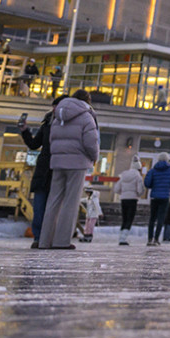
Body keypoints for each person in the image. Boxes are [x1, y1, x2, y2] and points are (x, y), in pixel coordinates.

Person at [41, 94, 99, 250]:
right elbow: (91, 142)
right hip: (77, 164)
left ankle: (44, 240)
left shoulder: (57, 117)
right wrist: (94, 157)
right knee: (70, 202)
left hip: (57, 163)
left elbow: (51, 140)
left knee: (53, 201)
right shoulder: (86, 117)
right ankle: (61, 241)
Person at [15, 103, 56, 245]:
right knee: (39, 206)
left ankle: (49, 237)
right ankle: (38, 237)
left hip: (57, 170)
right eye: (54, 106)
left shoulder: (67, 125)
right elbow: (34, 144)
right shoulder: (47, 125)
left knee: (52, 207)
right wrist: (25, 130)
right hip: (44, 170)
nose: (55, 109)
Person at [145, 152, 170, 245]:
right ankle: (156, 239)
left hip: (154, 196)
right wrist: (169, 185)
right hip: (165, 197)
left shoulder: (152, 170)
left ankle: (149, 239)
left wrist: (154, 185)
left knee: (152, 218)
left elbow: (147, 183)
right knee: (161, 218)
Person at [114, 158, 145, 245]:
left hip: (123, 199)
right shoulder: (138, 176)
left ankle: (121, 237)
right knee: (129, 219)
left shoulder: (123, 175)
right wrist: (139, 194)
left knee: (124, 218)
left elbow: (116, 189)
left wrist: (123, 193)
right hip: (133, 199)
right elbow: (140, 190)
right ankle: (123, 238)